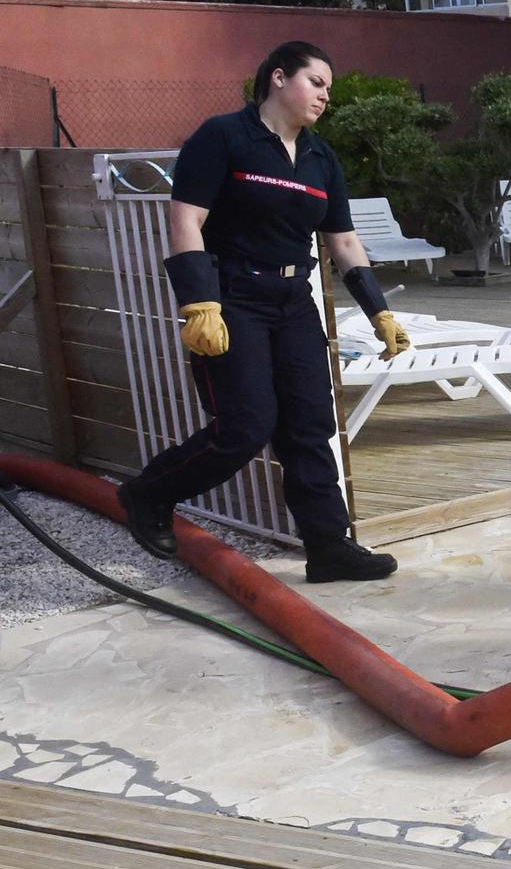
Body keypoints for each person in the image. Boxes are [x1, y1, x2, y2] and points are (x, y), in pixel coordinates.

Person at [115, 40, 410, 583]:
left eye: (329, 87)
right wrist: (199, 301)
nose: (325, 94)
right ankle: (147, 493)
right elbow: (186, 222)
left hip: (296, 302)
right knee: (245, 427)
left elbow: (343, 242)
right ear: (278, 78)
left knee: (310, 425)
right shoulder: (224, 136)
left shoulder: (321, 157)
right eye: (316, 82)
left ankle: (327, 548)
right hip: (233, 299)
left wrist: (379, 312)